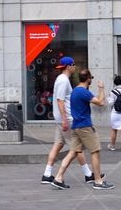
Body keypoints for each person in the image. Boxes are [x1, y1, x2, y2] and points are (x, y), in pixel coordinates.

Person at [50, 69, 114, 190]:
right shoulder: (83, 92)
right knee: (95, 151)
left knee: (73, 152)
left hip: (75, 126)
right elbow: (100, 102)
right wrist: (101, 88)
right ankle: (98, 181)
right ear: (88, 79)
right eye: (91, 79)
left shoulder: (74, 91)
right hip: (85, 126)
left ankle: (58, 178)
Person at [41, 57, 95, 185]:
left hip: (61, 118)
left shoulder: (62, 79)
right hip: (66, 119)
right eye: (74, 64)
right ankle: (87, 174)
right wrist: (65, 119)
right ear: (68, 66)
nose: (75, 67)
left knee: (59, 144)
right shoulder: (63, 81)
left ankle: (47, 174)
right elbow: (60, 100)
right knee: (76, 147)